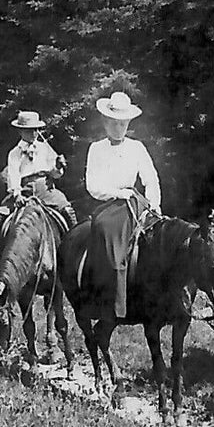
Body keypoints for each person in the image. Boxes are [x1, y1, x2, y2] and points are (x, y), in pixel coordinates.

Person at [83, 90, 162, 318]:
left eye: (123, 124)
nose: (119, 128)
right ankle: (115, 304)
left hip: (137, 201)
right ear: (106, 122)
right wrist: (117, 194)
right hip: (111, 204)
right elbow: (93, 185)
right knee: (109, 236)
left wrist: (154, 204)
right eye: (115, 123)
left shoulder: (137, 147)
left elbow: (151, 178)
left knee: (161, 235)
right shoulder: (96, 148)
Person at [0, 109, 75, 264]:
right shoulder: (14, 153)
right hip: (24, 189)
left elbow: (55, 174)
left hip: (45, 187)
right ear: (21, 131)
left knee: (66, 209)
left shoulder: (45, 148)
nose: (34, 133)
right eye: (30, 130)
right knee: (0, 214)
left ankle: (73, 247)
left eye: (36, 129)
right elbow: (13, 174)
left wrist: (59, 168)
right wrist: (17, 194)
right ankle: (0, 252)